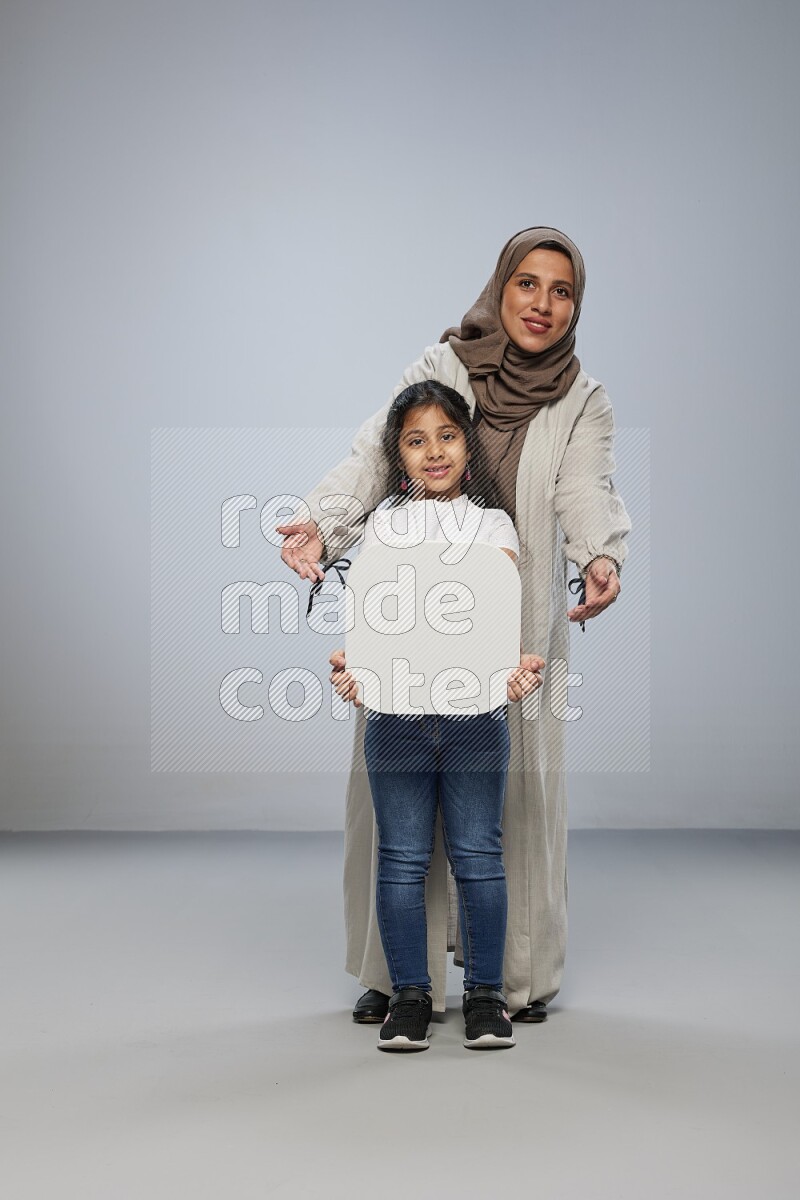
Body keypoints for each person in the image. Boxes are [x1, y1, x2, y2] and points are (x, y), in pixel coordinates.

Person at [278, 226, 631, 1022]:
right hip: (409, 622)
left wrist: (600, 556)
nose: (542, 303)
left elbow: (585, 488)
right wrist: (322, 522)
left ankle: (510, 980)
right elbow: (376, 455)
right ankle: (393, 974)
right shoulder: (440, 369)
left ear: (576, 305)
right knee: (395, 807)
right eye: (527, 284)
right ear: (500, 287)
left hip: (514, 628)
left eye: (561, 290)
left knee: (514, 801)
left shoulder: (583, 398)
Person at [326, 380, 544, 1050]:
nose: (434, 451)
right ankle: (410, 998)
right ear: (399, 456)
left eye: (447, 436)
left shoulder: (493, 523)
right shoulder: (383, 524)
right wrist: (354, 667)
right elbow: (378, 612)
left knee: (479, 854)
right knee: (401, 858)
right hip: (396, 717)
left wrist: (511, 668)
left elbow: (492, 607)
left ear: (466, 448)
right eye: (416, 441)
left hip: (476, 715)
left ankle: (485, 999)